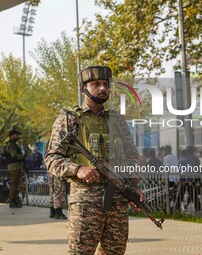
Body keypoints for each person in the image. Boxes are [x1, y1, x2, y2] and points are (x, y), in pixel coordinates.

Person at [45, 65, 143, 255]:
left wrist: (132, 186)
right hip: (86, 203)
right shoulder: (69, 118)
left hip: (117, 203)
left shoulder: (117, 120)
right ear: (83, 88)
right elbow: (52, 158)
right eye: (96, 84)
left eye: (105, 84)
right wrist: (77, 169)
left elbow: (133, 157)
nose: (102, 88)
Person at [6, 129, 25, 208]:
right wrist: (23, 156)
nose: (18, 136)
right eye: (16, 135)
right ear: (12, 136)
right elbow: (13, 155)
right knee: (14, 184)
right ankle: (12, 200)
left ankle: (14, 199)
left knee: (15, 184)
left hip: (14, 167)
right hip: (14, 167)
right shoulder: (12, 145)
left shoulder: (11, 144)